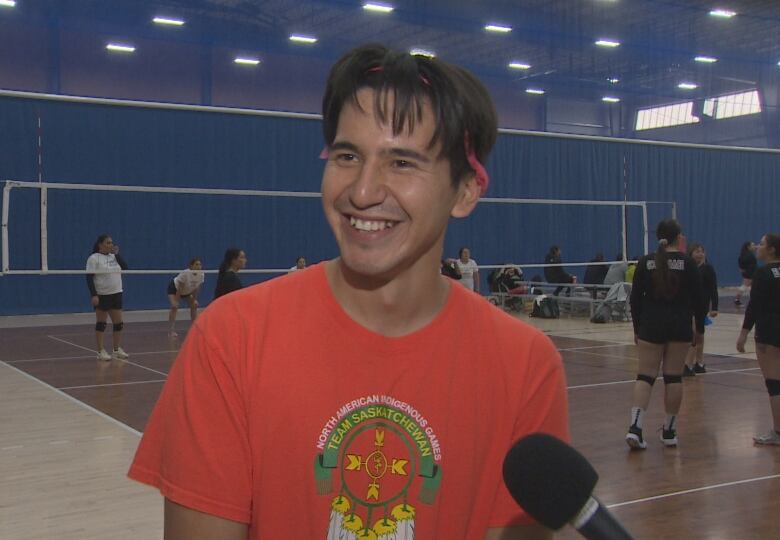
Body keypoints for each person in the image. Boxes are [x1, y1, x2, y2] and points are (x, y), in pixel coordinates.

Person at [129, 44, 568, 540]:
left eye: (402, 162)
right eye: (347, 155)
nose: (362, 191)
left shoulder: (526, 365)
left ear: (466, 190)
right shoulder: (232, 339)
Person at [626, 219, 705, 450]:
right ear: (678, 237)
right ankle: (669, 431)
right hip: (679, 326)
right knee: (673, 378)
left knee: (645, 377)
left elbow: (635, 300)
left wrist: (638, 328)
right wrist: (699, 329)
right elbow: (700, 300)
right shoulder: (688, 263)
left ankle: (635, 428)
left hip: (651, 325)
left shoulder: (646, 261)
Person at [737, 233, 780, 445]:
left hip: (769, 331)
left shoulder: (763, 273)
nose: (758, 247)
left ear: (772, 249)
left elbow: (754, 306)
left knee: (774, 384)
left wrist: (743, 333)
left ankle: (778, 433)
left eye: (762, 244)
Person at [85, 234, 129, 361]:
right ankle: (100, 351)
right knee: (101, 324)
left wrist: (117, 255)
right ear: (100, 244)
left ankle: (116, 349)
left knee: (119, 324)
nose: (111, 245)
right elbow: (89, 278)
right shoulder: (93, 258)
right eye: (108, 243)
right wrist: (94, 294)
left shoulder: (114, 257)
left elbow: (125, 268)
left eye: (112, 243)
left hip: (116, 293)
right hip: (102, 295)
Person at [683, 243, 718, 376]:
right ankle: (693, 363)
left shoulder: (707, 269)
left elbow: (713, 288)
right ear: (691, 253)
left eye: (702, 251)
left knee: (698, 334)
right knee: (694, 334)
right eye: (697, 251)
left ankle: (694, 363)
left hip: (701, 306)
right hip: (688, 306)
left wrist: (714, 307)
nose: (700, 254)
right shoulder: (687, 267)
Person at [167, 258, 205, 338]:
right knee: (174, 306)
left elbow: (197, 289)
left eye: (200, 265)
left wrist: (193, 300)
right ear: (191, 266)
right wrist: (177, 301)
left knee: (194, 305)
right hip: (175, 289)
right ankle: (171, 330)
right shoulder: (185, 273)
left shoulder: (201, 275)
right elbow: (180, 288)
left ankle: (194, 328)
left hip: (187, 291)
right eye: (196, 264)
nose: (199, 266)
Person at [735, 241, 757, 306]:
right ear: (748, 247)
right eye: (753, 245)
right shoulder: (750, 256)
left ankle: (738, 299)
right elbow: (753, 266)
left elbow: (741, 267)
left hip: (747, 273)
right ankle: (737, 300)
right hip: (751, 273)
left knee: (750, 286)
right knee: (745, 286)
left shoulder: (743, 255)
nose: (754, 246)